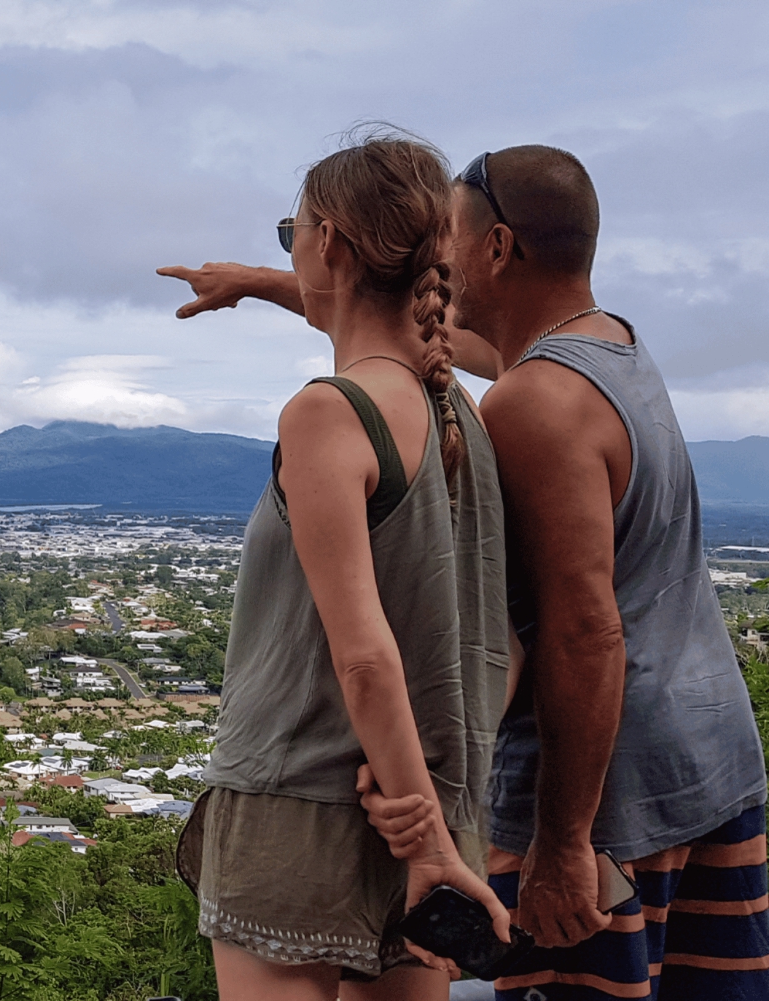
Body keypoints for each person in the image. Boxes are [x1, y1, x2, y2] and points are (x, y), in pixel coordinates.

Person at [164, 145, 769, 999]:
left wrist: (548, 840)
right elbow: (501, 638)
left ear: (496, 246)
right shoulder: (576, 365)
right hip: (694, 768)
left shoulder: (518, 403)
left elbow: (579, 631)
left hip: (572, 804)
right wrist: (267, 281)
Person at [173, 130, 513, 1001]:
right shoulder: (460, 413)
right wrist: (427, 820)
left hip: (300, 798)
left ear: (328, 242)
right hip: (424, 794)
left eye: (294, 234)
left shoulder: (329, 413)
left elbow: (362, 654)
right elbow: (498, 634)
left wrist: (421, 834)